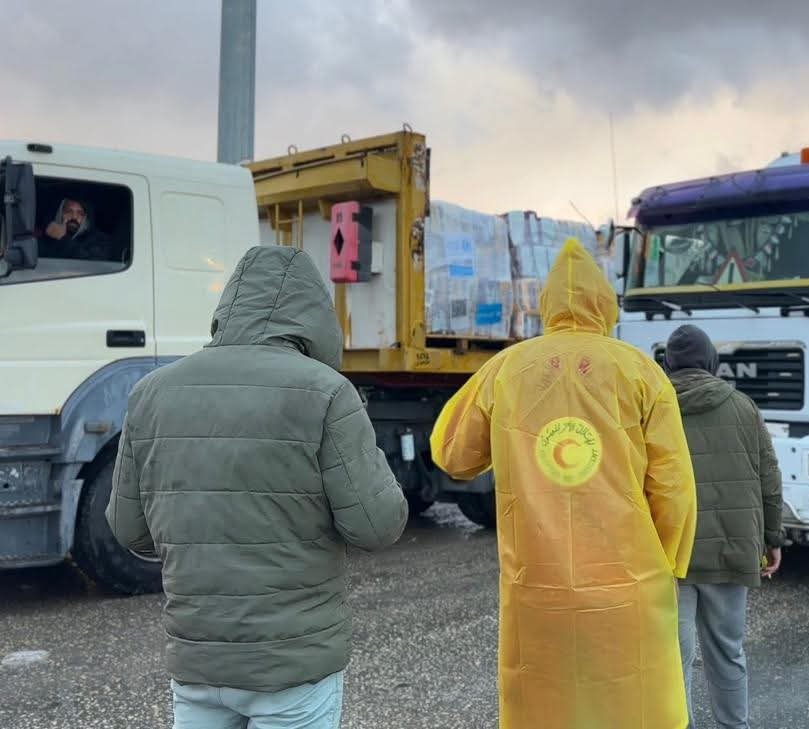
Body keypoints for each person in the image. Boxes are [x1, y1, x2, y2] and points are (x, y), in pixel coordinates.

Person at [106, 245, 408, 729]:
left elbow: (128, 529)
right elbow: (377, 526)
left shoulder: (150, 393)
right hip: (292, 664)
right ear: (314, 318)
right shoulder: (327, 393)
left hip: (198, 661)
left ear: (227, 307)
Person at [430, 238, 698, 729]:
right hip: (627, 579)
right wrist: (667, 563)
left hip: (537, 582)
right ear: (606, 304)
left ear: (546, 304)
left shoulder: (506, 369)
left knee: (543, 707)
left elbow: (453, 455)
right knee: (633, 705)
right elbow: (673, 485)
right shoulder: (641, 371)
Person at [664, 324, 783, 729]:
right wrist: (772, 538)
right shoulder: (743, 406)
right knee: (728, 653)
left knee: (674, 660)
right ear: (712, 362)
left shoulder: (654, 407)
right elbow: (769, 477)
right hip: (732, 549)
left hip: (672, 555)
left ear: (668, 364)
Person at [39, 197, 116, 260]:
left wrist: (63, 239)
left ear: (86, 218)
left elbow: (95, 264)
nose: (74, 217)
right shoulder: (46, 238)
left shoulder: (100, 240)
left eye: (80, 213)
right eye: (68, 211)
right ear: (60, 213)